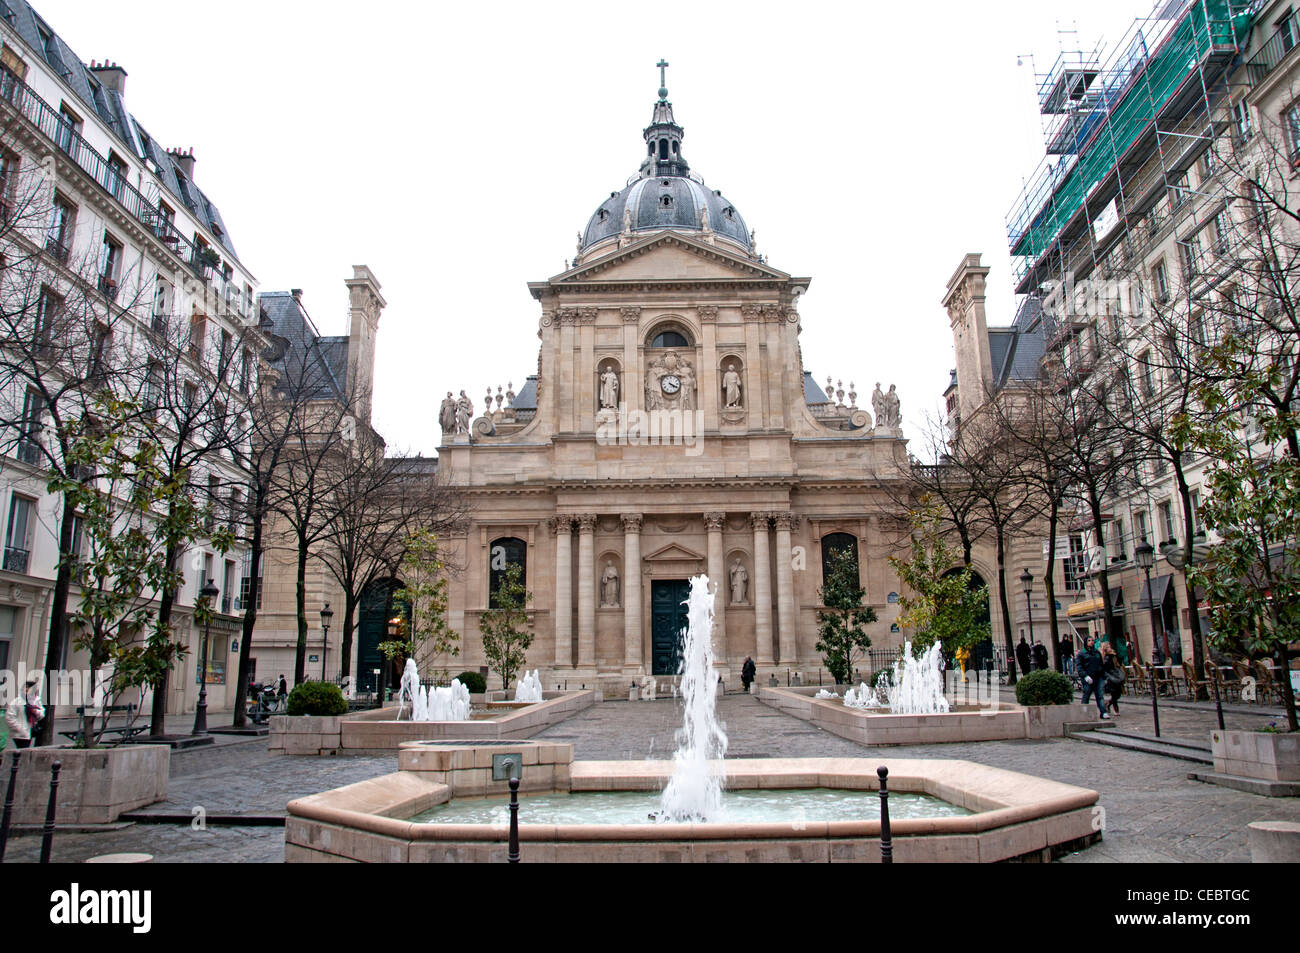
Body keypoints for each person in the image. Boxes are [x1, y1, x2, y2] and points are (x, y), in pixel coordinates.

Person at [5, 679, 44, 748]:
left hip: (30, 731)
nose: (26, 690)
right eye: (25, 688)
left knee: (24, 751)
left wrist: (35, 711)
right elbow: (9, 717)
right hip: (20, 734)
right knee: (23, 750)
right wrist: (20, 729)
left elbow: (41, 714)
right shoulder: (17, 701)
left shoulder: (36, 701)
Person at [1076, 636, 1108, 718]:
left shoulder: (1097, 653)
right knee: (1087, 694)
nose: (1091, 642)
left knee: (1100, 695)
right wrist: (1085, 676)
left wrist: (1103, 676)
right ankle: (1084, 712)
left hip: (1098, 677)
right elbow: (1079, 667)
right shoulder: (1082, 654)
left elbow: (1101, 664)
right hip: (1088, 677)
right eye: (1089, 640)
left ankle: (1103, 712)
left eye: (1092, 640)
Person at [1101, 642, 1125, 714]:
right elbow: (1105, 667)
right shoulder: (1106, 657)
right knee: (1114, 693)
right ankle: (1116, 709)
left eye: (1110, 647)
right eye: (1108, 647)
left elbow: (1119, 663)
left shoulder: (1113, 655)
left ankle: (1108, 704)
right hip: (1111, 677)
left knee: (1118, 693)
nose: (1110, 648)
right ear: (1105, 649)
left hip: (1116, 675)